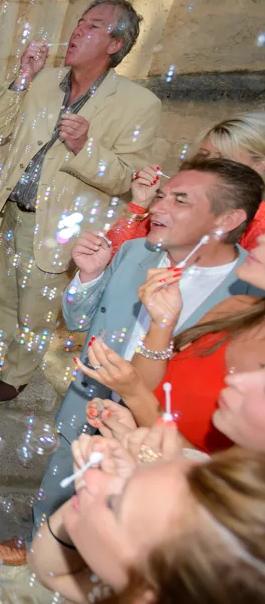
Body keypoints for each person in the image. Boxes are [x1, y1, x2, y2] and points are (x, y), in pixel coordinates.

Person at [0, 158, 264, 566]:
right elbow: (78, 320)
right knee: (63, 484)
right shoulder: (137, 251)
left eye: (179, 200)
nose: (157, 208)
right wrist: (86, 278)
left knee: (135, 524)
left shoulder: (247, 290)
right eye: (159, 196)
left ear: (226, 219)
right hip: (91, 403)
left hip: (163, 432)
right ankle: (41, 540)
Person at [0, 0, 162, 404]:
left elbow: (128, 179)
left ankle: (19, 373)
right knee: (3, 293)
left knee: (37, 311)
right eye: (79, 22)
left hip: (60, 226)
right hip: (12, 212)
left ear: (115, 44)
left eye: (92, 26)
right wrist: (23, 76)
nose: (77, 30)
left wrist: (84, 147)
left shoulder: (139, 104)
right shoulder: (44, 81)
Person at [75, 195, 265, 455]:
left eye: (182, 201)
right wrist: (161, 324)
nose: (261, 239)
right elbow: (163, 393)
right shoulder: (237, 308)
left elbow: (227, 470)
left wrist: (133, 395)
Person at [26, 443, 265, 603]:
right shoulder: (155, 586)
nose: (90, 475)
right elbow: (50, 573)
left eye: (112, 505)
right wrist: (89, 501)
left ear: (144, 595)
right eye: (127, 477)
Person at [107, 112, 265, 256]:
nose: (208, 165)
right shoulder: (179, 202)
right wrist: (139, 204)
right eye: (203, 156)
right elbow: (115, 259)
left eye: (223, 160)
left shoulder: (259, 221)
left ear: (260, 165)